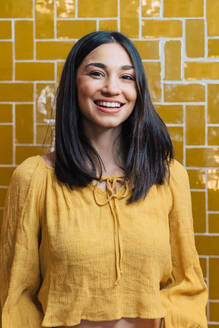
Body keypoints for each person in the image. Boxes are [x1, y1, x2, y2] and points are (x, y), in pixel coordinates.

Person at [0, 31, 208, 328]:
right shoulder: (34, 178)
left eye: (127, 77)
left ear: (139, 90)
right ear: (74, 83)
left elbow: (189, 285)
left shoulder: (170, 176)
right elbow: (16, 299)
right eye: (96, 73)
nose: (112, 88)